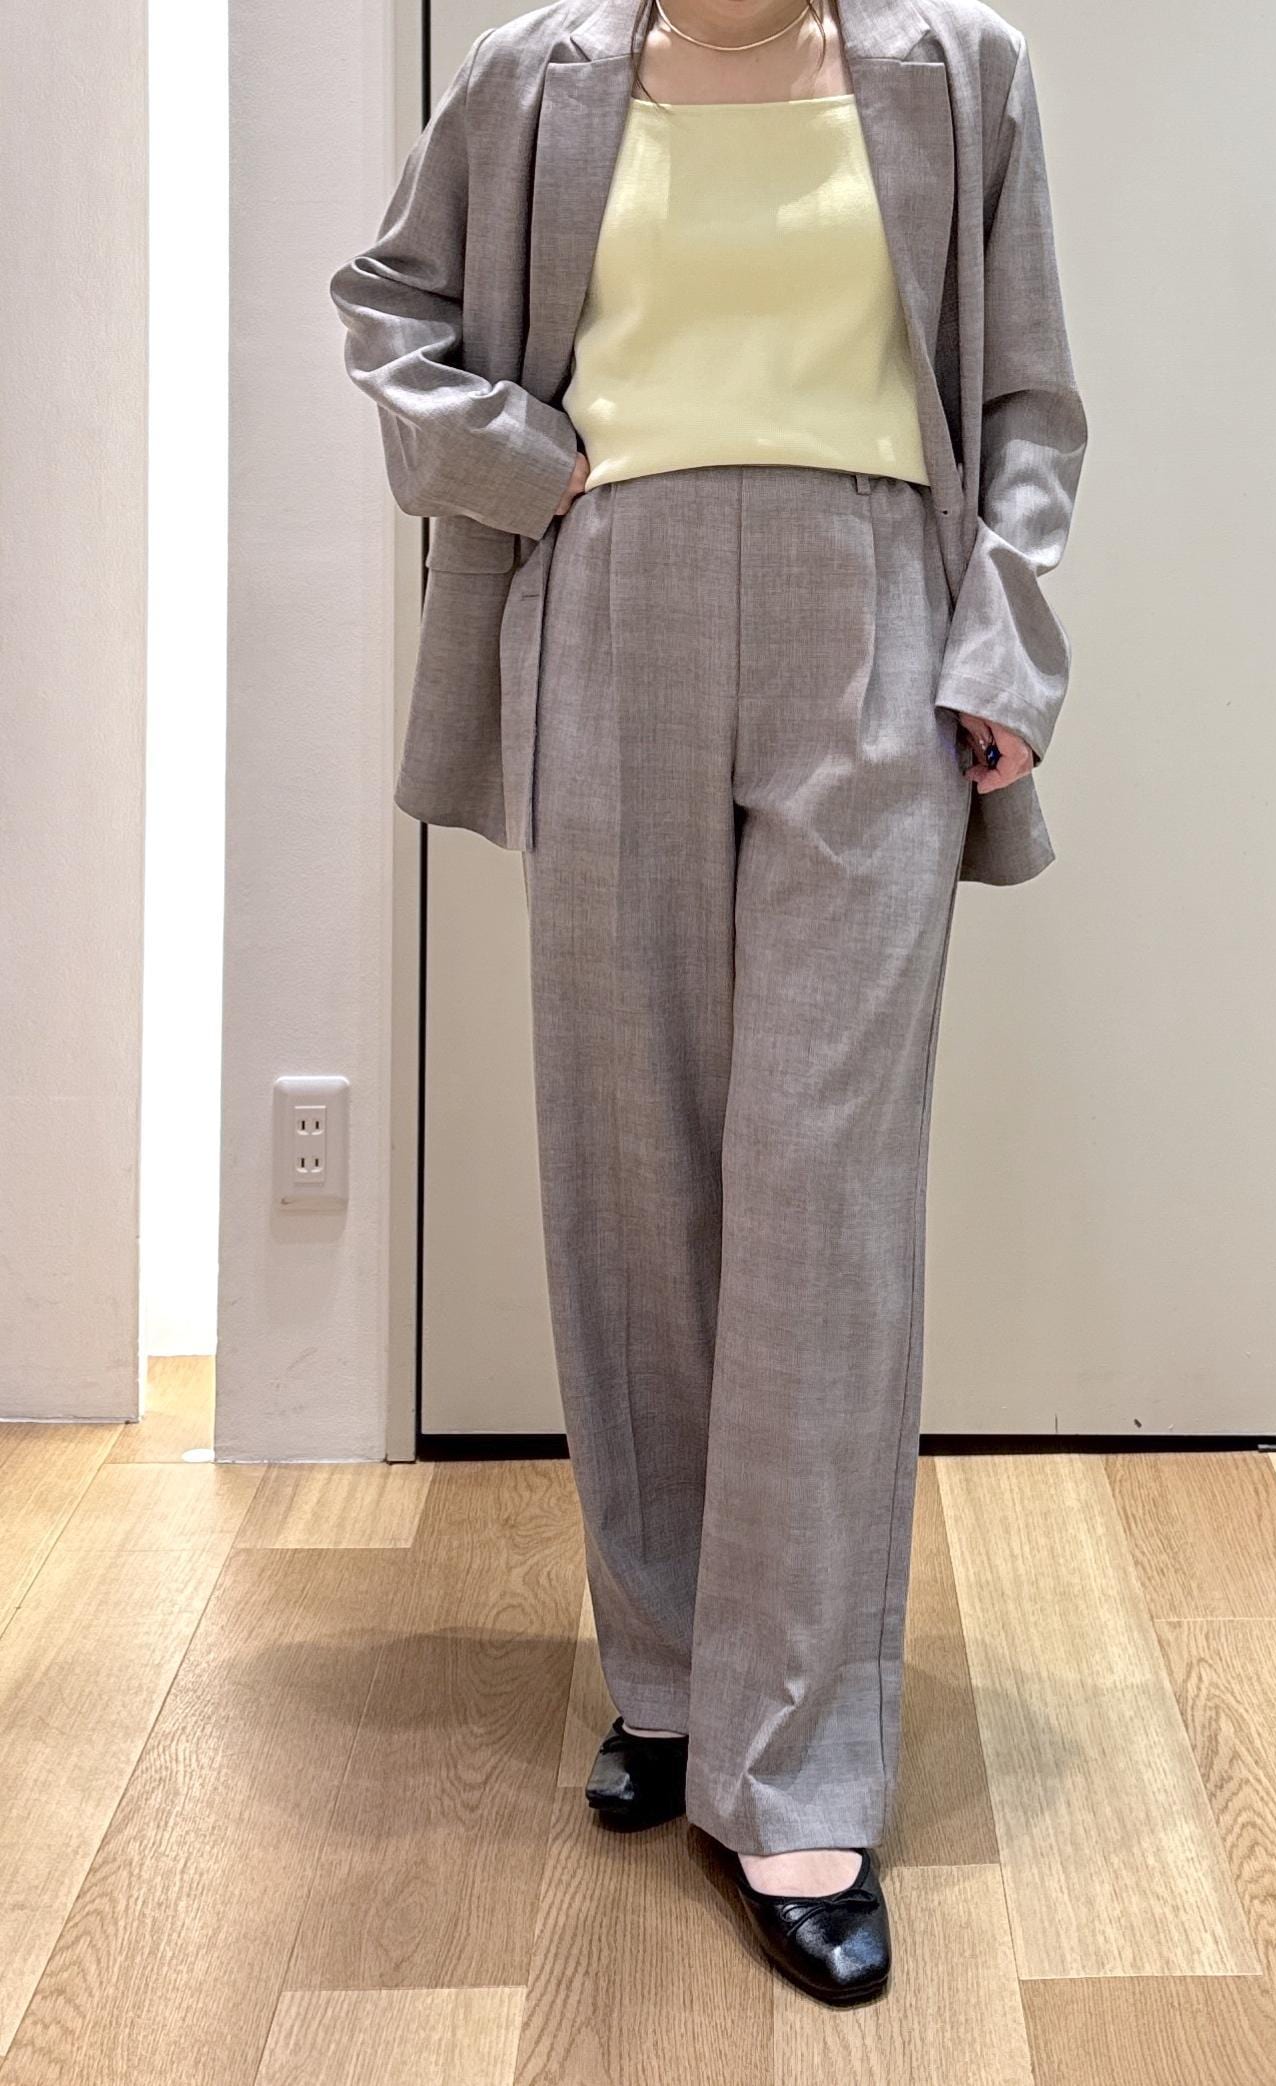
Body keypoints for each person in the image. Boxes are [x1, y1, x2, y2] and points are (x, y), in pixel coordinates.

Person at [330, 0, 1085, 2007]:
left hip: (872, 615)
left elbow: (1025, 396)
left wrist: (1004, 645)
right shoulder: (532, 77)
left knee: (824, 1201)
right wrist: (522, 458)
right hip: (608, 600)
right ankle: (672, 1676)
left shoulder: (959, 71)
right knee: (631, 1172)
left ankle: (800, 1767)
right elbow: (389, 305)